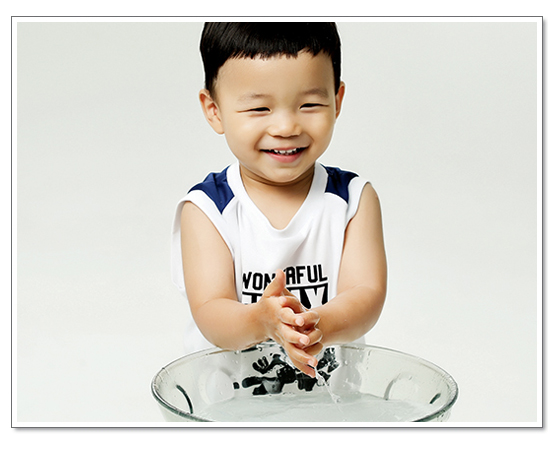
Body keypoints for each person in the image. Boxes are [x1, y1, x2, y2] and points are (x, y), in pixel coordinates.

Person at [171, 22, 387, 378]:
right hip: (229, 404)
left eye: (310, 104)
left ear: (337, 100)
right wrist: (261, 321)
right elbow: (211, 311)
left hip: (331, 403)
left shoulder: (352, 200)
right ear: (214, 110)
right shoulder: (208, 209)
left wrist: (313, 325)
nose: (286, 127)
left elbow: (366, 294)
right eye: (259, 109)